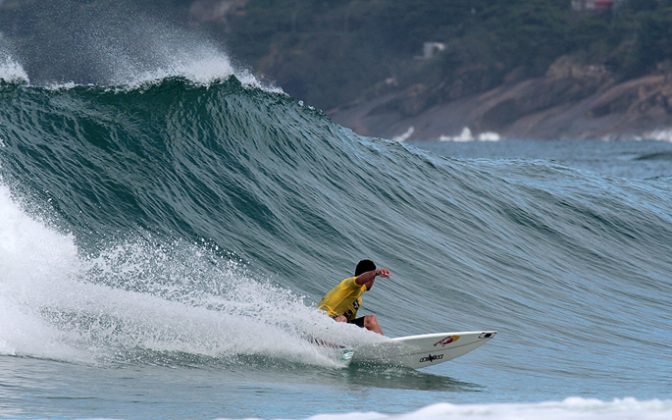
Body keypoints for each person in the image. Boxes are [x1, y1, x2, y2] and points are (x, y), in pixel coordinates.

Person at [318, 259, 391, 335]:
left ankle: (383, 343)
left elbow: (350, 325)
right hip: (321, 321)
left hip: (335, 325)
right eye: (373, 278)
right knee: (342, 319)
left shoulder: (358, 300)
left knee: (370, 320)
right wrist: (375, 273)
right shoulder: (349, 284)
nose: (373, 281)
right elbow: (359, 279)